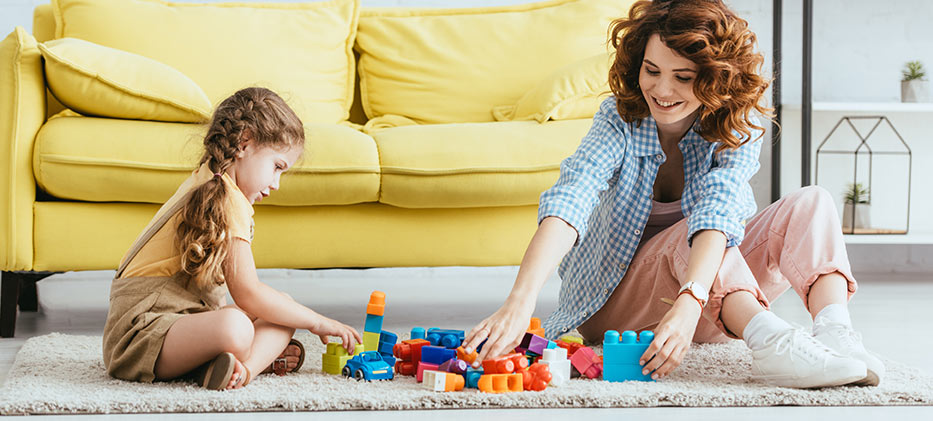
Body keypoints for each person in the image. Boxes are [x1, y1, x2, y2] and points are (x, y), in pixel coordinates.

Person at [463, 0, 884, 389]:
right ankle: (771, 341)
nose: (662, 91)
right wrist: (521, 300)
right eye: (652, 71)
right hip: (614, 308)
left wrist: (688, 302)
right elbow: (572, 197)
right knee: (693, 232)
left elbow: (720, 210)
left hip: (707, 308)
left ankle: (837, 335)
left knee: (812, 201)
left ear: (716, 77)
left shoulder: (738, 122)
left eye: (683, 77)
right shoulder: (619, 118)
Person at [102, 87, 361, 390]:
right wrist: (318, 321)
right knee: (238, 327)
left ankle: (237, 370)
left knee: (283, 306)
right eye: (276, 167)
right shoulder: (225, 197)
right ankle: (252, 361)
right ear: (244, 142)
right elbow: (247, 294)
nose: (276, 184)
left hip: (177, 323)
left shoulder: (212, 179)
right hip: (139, 336)